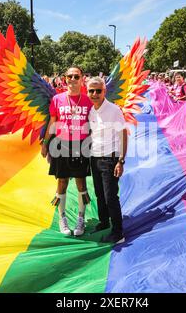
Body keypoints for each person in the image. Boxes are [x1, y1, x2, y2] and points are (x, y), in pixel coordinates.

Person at [41, 66, 93, 236]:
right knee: (61, 182)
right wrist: (45, 143)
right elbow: (52, 122)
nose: (72, 79)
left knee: (81, 182)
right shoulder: (57, 99)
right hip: (61, 144)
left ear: (82, 78)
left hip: (81, 145)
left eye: (76, 76)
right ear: (65, 78)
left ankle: (81, 218)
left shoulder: (88, 100)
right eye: (69, 76)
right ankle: (62, 218)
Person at [87, 77, 128, 244]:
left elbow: (123, 134)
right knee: (99, 194)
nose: (95, 94)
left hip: (110, 159)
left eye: (98, 90)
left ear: (104, 91)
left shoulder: (114, 110)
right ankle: (104, 222)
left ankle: (118, 233)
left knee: (111, 196)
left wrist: (121, 160)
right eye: (91, 91)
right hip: (94, 158)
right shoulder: (90, 111)